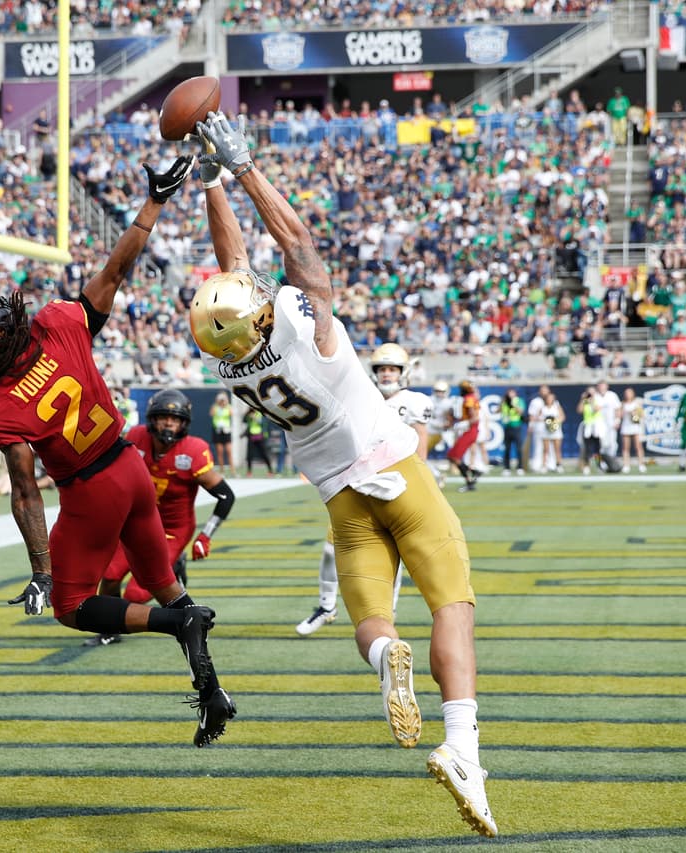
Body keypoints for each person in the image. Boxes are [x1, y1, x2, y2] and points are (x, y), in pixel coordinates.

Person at [190, 111, 495, 835]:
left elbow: (231, 274)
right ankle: (462, 746)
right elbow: (295, 246)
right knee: (452, 604)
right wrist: (242, 167)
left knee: (372, 620)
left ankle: (390, 657)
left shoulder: (230, 362)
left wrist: (207, 187)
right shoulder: (304, 326)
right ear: (262, 314)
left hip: (340, 500)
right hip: (394, 469)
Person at [0, 155, 238, 749]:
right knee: (166, 583)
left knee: (74, 607)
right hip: (129, 465)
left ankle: (176, 622)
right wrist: (151, 204)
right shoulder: (56, 323)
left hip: (91, 492)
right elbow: (114, 272)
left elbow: (25, 491)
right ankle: (212, 695)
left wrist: (41, 573)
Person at [297, 343, 430, 637]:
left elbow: (420, 441)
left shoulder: (413, 402)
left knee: (393, 553)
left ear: (403, 371)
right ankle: (326, 606)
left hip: (397, 484)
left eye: (392, 369)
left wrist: (420, 479)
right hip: (357, 482)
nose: (386, 374)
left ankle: (388, 613)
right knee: (332, 549)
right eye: (382, 369)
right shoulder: (363, 397)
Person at [92, 389, 237, 646]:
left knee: (136, 593)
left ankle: (175, 565)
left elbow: (225, 496)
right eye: (164, 417)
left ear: (184, 424)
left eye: (176, 419)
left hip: (172, 529)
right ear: (152, 419)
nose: (169, 423)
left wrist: (206, 535)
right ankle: (110, 628)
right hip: (135, 524)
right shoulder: (136, 437)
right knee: (111, 576)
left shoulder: (193, 451)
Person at [446, 380, 483, 492]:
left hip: (469, 430)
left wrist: (463, 424)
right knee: (452, 456)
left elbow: (474, 418)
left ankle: (470, 480)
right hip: (471, 430)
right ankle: (473, 474)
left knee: (454, 456)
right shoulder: (471, 397)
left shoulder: (469, 399)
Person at [619, 387, 647, 473]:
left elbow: (642, 415)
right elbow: (619, 415)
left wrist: (635, 413)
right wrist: (624, 412)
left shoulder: (637, 403)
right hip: (626, 427)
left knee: (638, 446)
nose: (628, 395)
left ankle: (641, 465)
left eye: (629, 393)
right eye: (626, 393)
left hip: (635, 427)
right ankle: (626, 465)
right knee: (625, 448)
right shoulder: (622, 404)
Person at [498, 389, 525, 476]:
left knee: (518, 448)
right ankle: (507, 468)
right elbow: (497, 411)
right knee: (507, 448)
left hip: (516, 426)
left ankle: (520, 467)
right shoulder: (504, 402)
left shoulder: (519, 401)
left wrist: (513, 405)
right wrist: (502, 403)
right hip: (507, 427)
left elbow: (521, 412)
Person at [578, 387, 603, 475]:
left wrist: (592, 400)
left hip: (596, 427)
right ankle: (586, 466)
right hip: (587, 427)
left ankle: (598, 465)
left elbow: (596, 409)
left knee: (597, 449)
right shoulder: (585, 401)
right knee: (587, 449)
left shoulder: (598, 399)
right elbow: (579, 410)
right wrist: (582, 399)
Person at [242, 405, 274, 475]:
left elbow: (264, 423)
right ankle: (249, 471)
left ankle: (270, 470)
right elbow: (244, 420)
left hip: (259, 436)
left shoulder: (260, 413)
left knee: (264, 454)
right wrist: (247, 413)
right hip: (251, 436)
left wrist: (255, 418)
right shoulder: (249, 413)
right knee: (249, 455)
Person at [540, 388, 564, 472]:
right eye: (548, 398)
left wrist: (554, 424)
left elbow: (562, 417)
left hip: (556, 430)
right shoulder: (543, 408)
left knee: (557, 449)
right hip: (546, 431)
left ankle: (559, 465)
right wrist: (547, 422)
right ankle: (544, 466)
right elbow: (539, 418)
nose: (550, 400)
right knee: (545, 449)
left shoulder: (556, 406)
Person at [209, 391, 234, 474]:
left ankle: (232, 471)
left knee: (229, 451)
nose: (222, 401)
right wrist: (217, 403)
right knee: (220, 452)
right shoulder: (215, 407)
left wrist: (226, 404)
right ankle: (222, 470)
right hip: (218, 431)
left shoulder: (228, 407)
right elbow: (211, 414)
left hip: (226, 431)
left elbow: (231, 413)